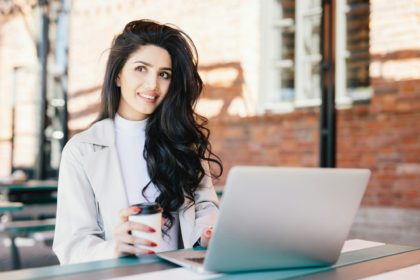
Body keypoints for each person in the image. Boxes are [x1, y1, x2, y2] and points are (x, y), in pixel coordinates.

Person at [53, 19, 223, 265]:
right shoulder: (82, 150)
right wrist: (115, 247)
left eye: (163, 74)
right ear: (118, 75)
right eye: (141, 69)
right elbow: (71, 243)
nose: (152, 85)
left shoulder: (183, 142)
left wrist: (207, 234)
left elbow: (206, 208)